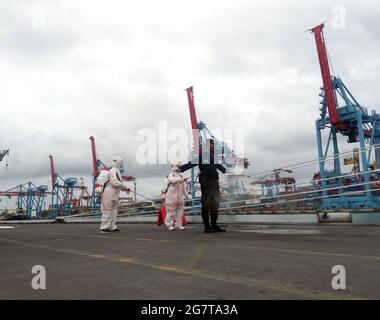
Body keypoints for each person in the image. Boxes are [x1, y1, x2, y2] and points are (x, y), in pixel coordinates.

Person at [179, 139, 226, 233]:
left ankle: (214, 225)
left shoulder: (213, 157)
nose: (213, 147)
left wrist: (225, 170)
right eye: (212, 145)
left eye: (214, 145)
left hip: (214, 181)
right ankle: (207, 227)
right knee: (206, 204)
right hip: (206, 181)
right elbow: (191, 164)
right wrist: (180, 168)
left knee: (215, 203)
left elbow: (219, 166)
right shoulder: (201, 156)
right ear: (207, 146)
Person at [99, 156, 130, 234]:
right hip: (108, 193)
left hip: (114, 194)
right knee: (107, 211)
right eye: (121, 163)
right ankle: (104, 228)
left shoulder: (117, 171)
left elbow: (118, 184)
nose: (122, 164)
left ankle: (112, 227)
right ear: (118, 162)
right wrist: (125, 187)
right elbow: (115, 183)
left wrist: (125, 188)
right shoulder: (113, 171)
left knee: (113, 211)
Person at [161, 160, 189, 231]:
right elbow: (172, 181)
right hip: (171, 198)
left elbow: (184, 188)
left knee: (180, 213)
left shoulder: (181, 176)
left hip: (180, 198)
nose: (178, 168)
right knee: (170, 213)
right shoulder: (170, 175)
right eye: (177, 166)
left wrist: (187, 196)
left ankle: (178, 224)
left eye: (179, 166)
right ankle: (169, 225)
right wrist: (163, 194)